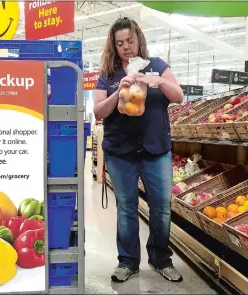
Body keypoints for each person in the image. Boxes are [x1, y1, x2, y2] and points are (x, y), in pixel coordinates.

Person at [94, 17, 185, 283]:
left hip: (156, 151)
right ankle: (128, 262)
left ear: (138, 39)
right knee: (126, 208)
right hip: (121, 152)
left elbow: (178, 96)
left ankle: (160, 260)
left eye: (130, 41)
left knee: (161, 209)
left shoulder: (156, 66)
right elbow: (98, 112)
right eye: (120, 43)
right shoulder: (108, 74)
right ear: (114, 45)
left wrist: (155, 81)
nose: (126, 47)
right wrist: (117, 93)